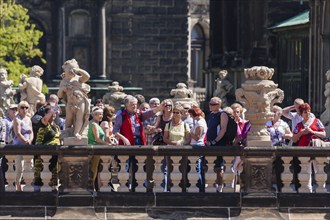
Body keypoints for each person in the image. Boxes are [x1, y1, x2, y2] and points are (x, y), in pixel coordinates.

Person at [113, 95, 164, 191]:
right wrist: (124, 139)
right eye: (132, 105)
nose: (135, 106)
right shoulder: (121, 116)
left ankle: (137, 188)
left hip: (138, 142)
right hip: (126, 144)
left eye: (136, 104)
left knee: (138, 165)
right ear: (127, 105)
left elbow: (149, 113)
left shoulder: (138, 114)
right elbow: (115, 131)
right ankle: (125, 188)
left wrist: (159, 107)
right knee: (126, 166)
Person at [292, 103, 326, 193]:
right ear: (301, 114)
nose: (308, 113)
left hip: (317, 149)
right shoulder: (299, 125)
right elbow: (294, 139)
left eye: (309, 111)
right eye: (305, 112)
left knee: (318, 170)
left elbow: (323, 134)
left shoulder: (316, 121)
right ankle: (308, 192)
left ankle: (321, 191)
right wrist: (301, 133)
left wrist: (312, 131)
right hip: (303, 151)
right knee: (306, 172)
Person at [57, 59, 91, 140]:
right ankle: (67, 131)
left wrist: (79, 70)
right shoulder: (63, 81)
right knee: (69, 118)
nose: (71, 71)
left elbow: (87, 76)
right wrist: (62, 89)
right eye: (69, 69)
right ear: (64, 69)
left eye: (73, 69)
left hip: (80, 101)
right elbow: (59, 95)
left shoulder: (78, 79)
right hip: (70, 103)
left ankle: (77, 132)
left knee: (80, 117)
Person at [162, 104, 190, 192]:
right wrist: (173, 143)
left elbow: (188, 139)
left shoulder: (185, 125)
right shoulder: (168, 125)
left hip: (182, 151)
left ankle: (182, 190)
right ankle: (170, 190)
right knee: (170, 170)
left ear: (181, 114)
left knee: (183, 170)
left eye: (177, 112)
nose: (174, 114)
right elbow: (165, 139)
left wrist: (181, 143)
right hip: (170, 151)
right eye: (173, 112)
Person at [34, 105, 61, 191]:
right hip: (43, 155)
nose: (53, 116)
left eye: (55, 114)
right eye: (51, 114)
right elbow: (46, 119)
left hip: (55, 155)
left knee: (53, 181)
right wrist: (53, 110)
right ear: (46, 114)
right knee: (41, 180)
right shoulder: (43, 123)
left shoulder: (56, 126)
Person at [205, 97, 229, 192]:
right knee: (211, 165)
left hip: (218, 144)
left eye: (213, 104)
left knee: (219, 166)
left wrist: (215, 141)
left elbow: (223, 129)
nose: (210, 106)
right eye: (210, 104)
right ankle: (214, 184)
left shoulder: (222, 114)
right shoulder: (211, 114)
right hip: (210, 143)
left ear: (219, 105)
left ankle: (220, 185)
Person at [88, 106, 112, 191]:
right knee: (93, 170)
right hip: (94, 150)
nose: (101, 116)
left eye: (102, 114)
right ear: (94, 115)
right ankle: (91, 188)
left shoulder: (94, 123)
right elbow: (97, 139)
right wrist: (108, 144)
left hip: (95, 149)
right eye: (99, 114)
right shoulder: (93, 124)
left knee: (94, 170)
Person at [12, 101, 33, 191]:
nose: (24, 109)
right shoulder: (17, 119)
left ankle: (29, 183)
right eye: (22, 107)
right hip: (19, 146)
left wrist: (30, 140)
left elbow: (31, 132)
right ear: (19, 109)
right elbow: (17, 133)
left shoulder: (29, 119)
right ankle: (18, 184)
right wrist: (25, 141)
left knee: (29, 164)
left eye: (26, 107)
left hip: (28, 145)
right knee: (19, 166)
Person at [230, 103, 251, 190]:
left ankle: (239, 186)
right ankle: (232, 186)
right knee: (234, 166)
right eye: (234, 112)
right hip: (232, 146)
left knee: (239, 167)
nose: (236, 114)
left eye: (237, 112)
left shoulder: (245, 123)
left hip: (242, 147)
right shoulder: (230, 123)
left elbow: (243, 135)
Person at [188, 106, 207, 192]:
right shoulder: (200, 121)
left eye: (191, 115)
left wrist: (189, 132)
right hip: (197, 146)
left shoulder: (200, 123)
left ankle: (200, 187)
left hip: (197, 146)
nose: (190, 117)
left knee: (197, 168)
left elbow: (197, 137)